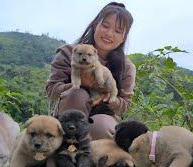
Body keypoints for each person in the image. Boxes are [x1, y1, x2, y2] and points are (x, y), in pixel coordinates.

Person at [46, 2, 135, 140]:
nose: (109, 34)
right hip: (69, 113)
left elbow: (125, 105)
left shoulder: (127, 67)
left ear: (123, 38)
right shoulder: (68, 52)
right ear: (95, 24)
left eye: (118, 31)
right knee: (77, 94)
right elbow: (52, 90)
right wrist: (80, 84)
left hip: (105, 116)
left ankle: (98, 158)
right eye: (105, 26)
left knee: (101, 125)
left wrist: (108, 98)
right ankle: (66, 150)